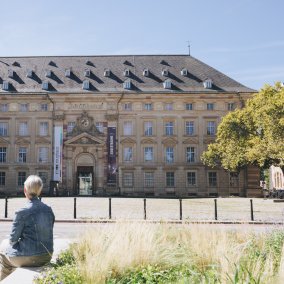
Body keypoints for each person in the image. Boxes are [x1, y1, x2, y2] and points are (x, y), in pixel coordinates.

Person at [0, 175, 55, 281]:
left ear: (25, 190)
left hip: (30, 257)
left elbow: (12, 240)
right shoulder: (49, 210)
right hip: (47, 255)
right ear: (40, 191)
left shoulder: (22, 212)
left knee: (3, 254)